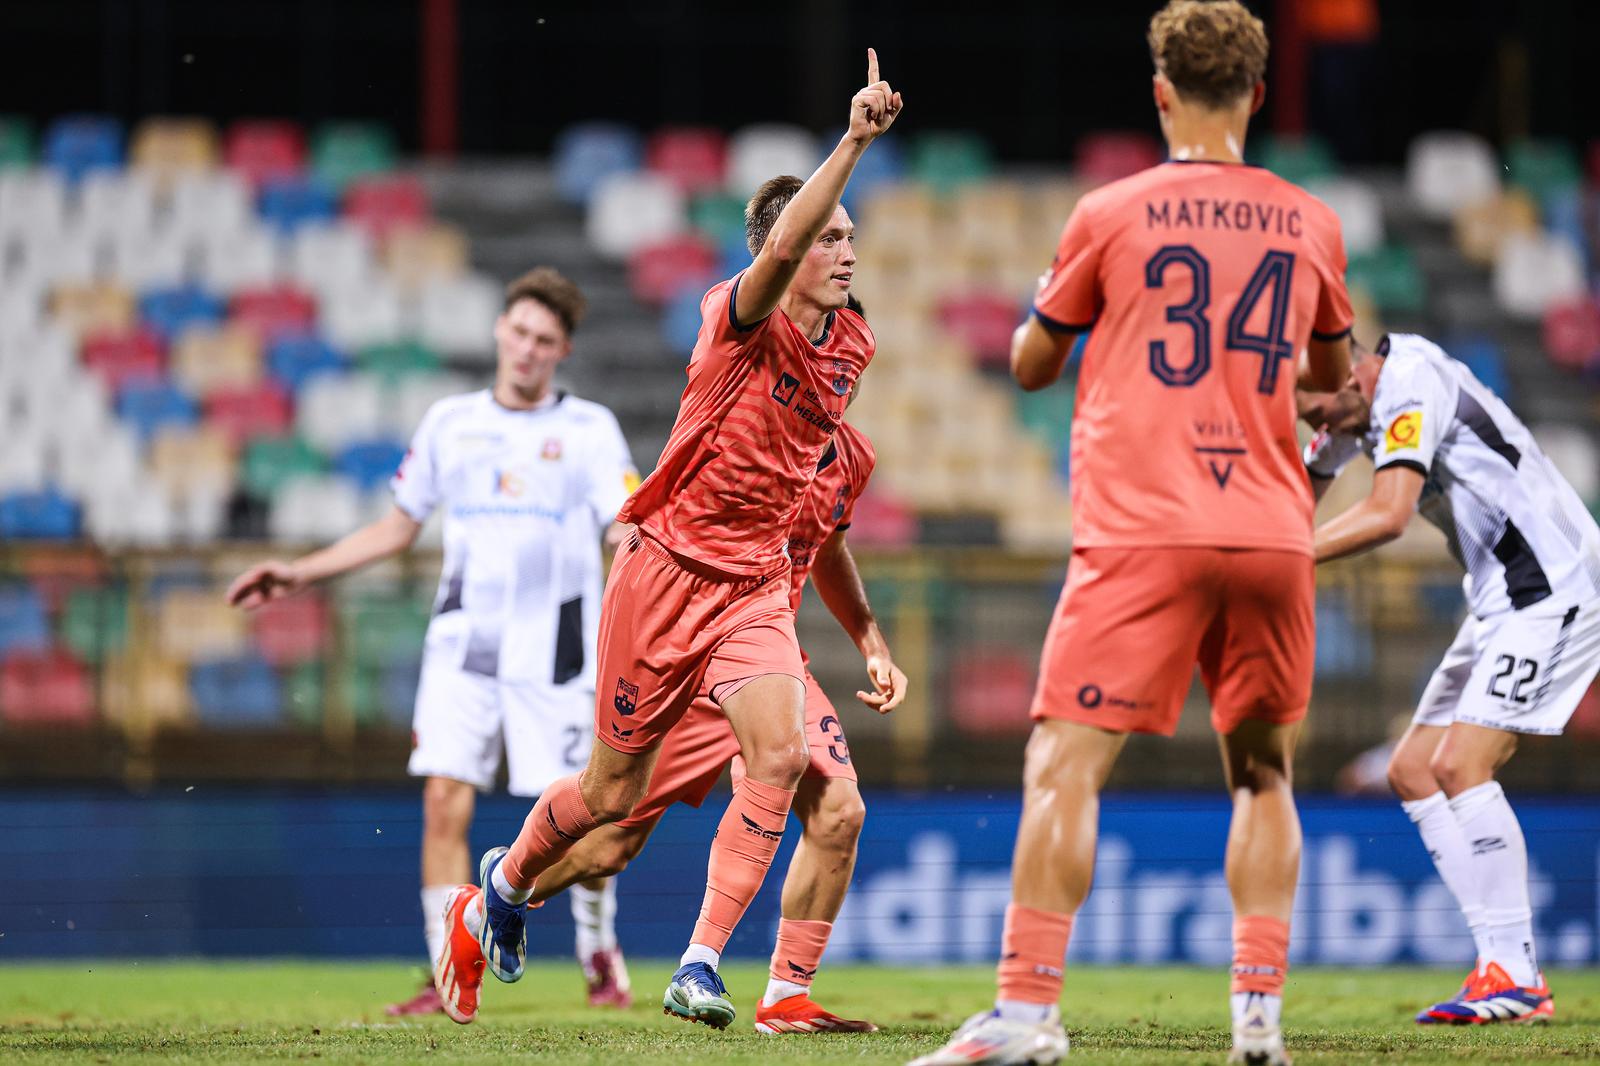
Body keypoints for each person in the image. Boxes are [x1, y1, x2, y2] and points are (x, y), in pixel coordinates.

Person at [915, 3, 1352, 1063]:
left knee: (1062, 766)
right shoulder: (1311, 221)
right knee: (1263, 773)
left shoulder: (1109, 213)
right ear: (1256, 94)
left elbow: (1029, 363)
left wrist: (1058, 315)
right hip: (1269, 527)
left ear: (1160, 92)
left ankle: (1025, 1013)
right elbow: (1332, 383)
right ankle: (1257, 1021)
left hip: (1143, 528)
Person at [435, 50, 902, 1030]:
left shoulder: (852, 344)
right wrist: (854, 140)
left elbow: (814, 502)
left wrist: (859, 629)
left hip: (750, 590)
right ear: (786, 247)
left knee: (778, 759)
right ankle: (501, 891)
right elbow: (774, 263)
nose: (846, 249)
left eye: (852, 236)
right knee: (609, 800)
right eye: (829, 235)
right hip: (662, 570)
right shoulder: (732, 319)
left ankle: (700, 964)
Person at [226, 267, 638, 1021]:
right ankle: (450, 971)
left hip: (560, 654)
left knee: (584, 822)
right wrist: (299, 573)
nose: (526, 349)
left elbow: (625, 525)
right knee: (443, 801)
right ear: (498, 332)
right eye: (518, 332)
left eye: (543, 340)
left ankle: (596, 944)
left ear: (563, 350)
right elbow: (396, 526)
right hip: (464, 649)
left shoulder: (590, 429)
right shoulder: (451, 422)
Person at [520, 402, 904, 1035]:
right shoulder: (743, 425)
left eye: (847, 364)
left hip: (770, 665)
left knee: (841, 811)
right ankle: (497, 898)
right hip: (696, 659)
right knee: (610, 842)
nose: (836, 373)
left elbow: (829, 546)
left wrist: (872, 642)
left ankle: (784, 996)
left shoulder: (852, 458)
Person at [1299, 332, 1600, 1024]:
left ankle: (1517, 975)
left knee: (1463, 765)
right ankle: (1501, 964)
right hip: (1501, 594)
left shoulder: (1409, 382)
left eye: (1310, 405)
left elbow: (1388, 514)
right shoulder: (1354, 408)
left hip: (1552, 582)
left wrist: (1279, 560)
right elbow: (1293, 497)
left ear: (1345, 373)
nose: (1312, 422)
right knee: (1412, 770)